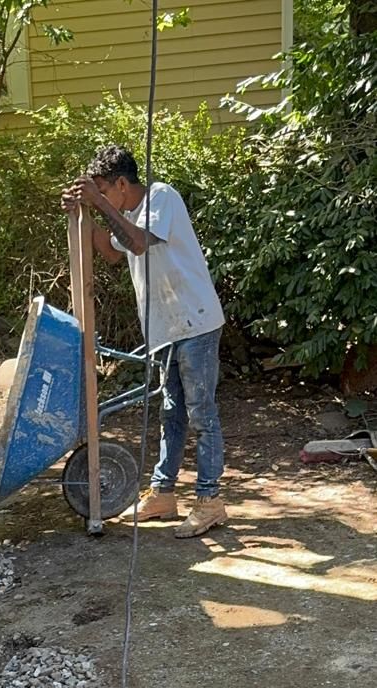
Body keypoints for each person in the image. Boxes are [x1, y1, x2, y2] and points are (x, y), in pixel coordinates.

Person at [62, 145, 227, 538]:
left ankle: (210, 500)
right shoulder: (128, 214)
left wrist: (99, 204)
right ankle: (164, 493)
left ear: (121, 183)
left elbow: (137, 243)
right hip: (167, 329)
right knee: (172, 413)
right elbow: (110, 251)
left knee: (202, 414)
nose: (101, 196)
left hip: (196, 323)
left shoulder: (161, 197)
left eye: (104, 189)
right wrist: (80, 213)